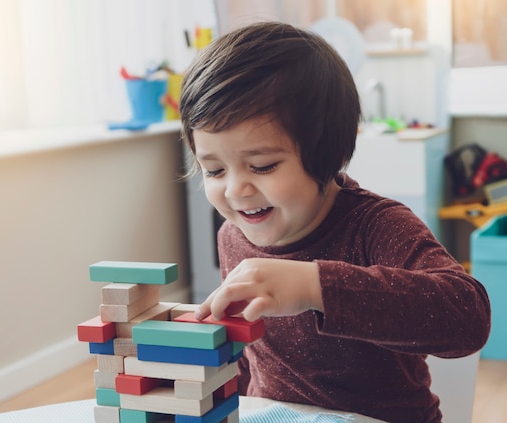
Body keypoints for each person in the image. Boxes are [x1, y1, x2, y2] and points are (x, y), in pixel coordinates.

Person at [178, 21, 491, 423]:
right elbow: (247, 355)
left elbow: (468, 316)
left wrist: (315, 286)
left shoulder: (377, 227)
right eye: (215, 170)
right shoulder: (232, 235)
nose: (236, 190)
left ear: (330, 154)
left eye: (263, 165)